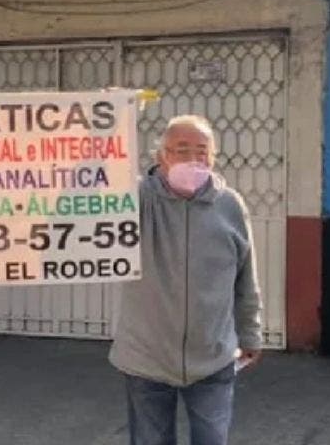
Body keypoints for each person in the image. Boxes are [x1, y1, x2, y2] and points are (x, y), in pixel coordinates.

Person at [109, 114, 263, 445]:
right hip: (146, 358)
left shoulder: (230, 206)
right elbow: (91, 188)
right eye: (181, 149)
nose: (193, 159)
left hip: (213, 357)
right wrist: (106, 119)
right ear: (161, 155)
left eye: (202, 151)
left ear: (214, 157)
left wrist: (250, 331)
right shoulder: (133, 200)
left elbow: (245, 276)